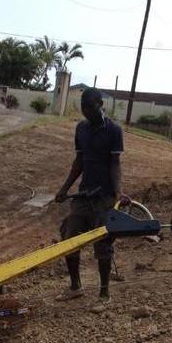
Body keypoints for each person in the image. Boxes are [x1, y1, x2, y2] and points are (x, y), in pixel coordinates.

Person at [55, 88, 129, 301]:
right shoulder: (81, 129)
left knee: (103, 243)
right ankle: (75, 287)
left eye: (90, 107)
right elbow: (79, 161)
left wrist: (118, 192)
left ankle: (104, 292)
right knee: (69, 238)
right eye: (83, 107)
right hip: (84, 195)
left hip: (104, 197)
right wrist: (64, 188)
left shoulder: (114, 131)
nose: (86, 111)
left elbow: (115, 164)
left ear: (100, 105)